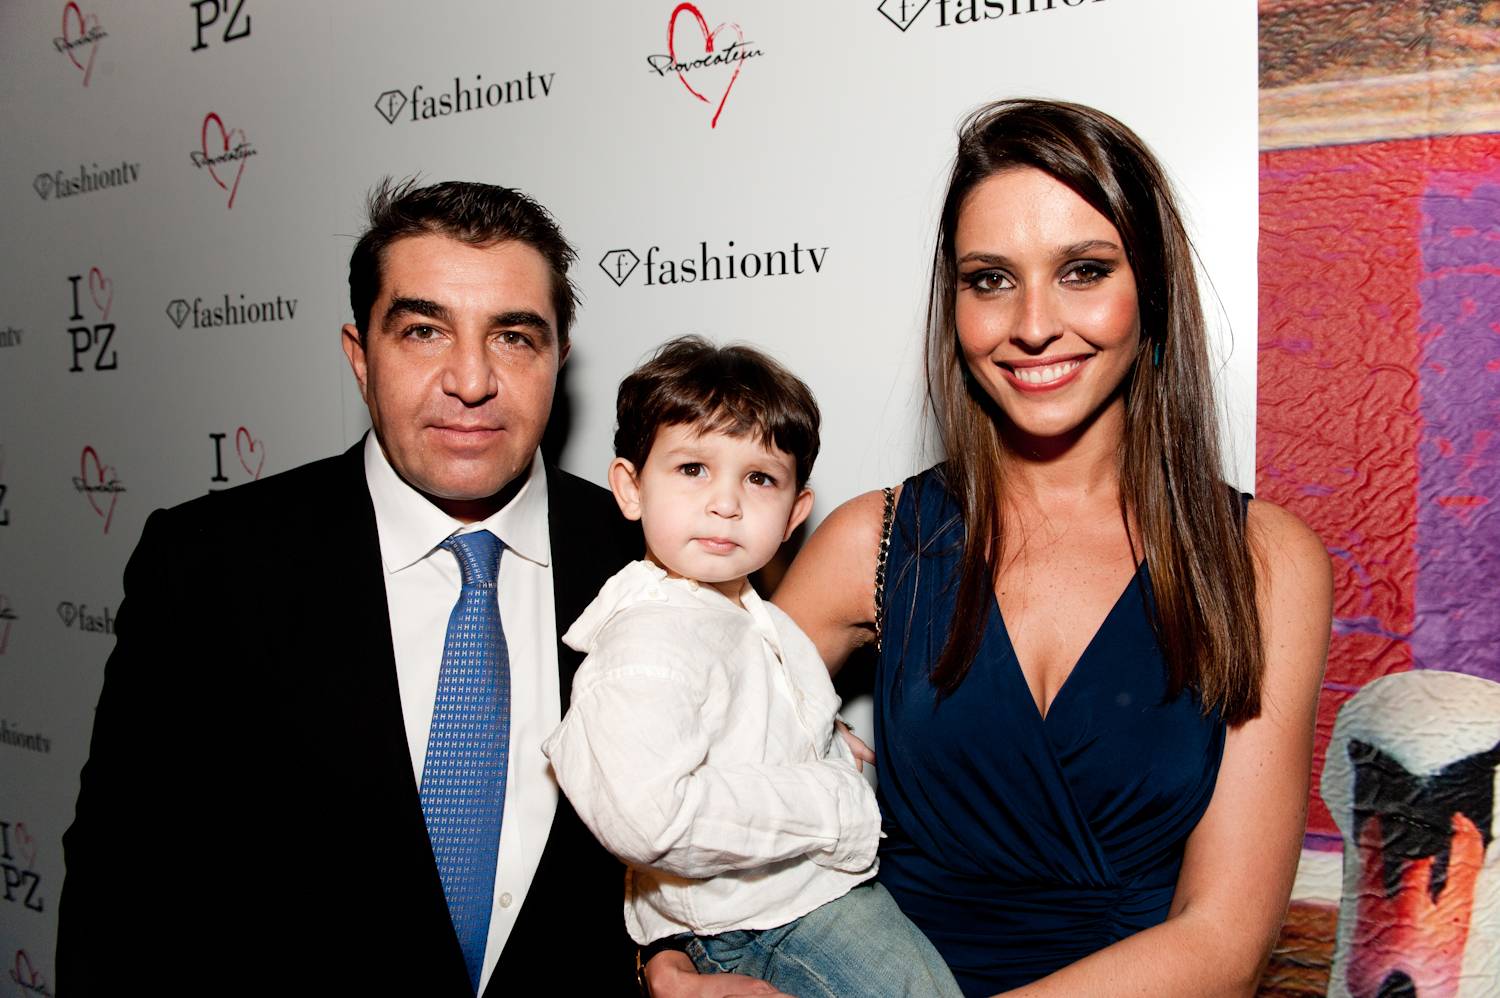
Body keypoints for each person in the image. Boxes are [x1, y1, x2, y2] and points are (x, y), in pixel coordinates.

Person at [649, 99, 1333, 997]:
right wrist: (670, 957)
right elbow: (673, 768)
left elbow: (1224, 945)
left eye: (1084, 270)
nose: (1033, 323)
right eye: (991, 279)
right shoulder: (874, 541)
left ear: (1154, 290)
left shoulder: (1261, 561)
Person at [57, 179, 641, 995]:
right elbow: (121, 900)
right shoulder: (208, 566)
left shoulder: (650, 561)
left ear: (558, 361)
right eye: (424, 331)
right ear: (360, 357)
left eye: (513, 338)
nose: (471, 379)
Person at [541, 337, 963, 998]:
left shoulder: (743, 610)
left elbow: (744, 716)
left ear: (795, 514)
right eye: (693, 469)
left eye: (759, 478)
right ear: (630, 487)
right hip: (753, 925)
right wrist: (831, 802)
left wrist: (816, 738)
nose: (726, 503)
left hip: (803, 899)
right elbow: (651, 820)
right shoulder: (646, 643)